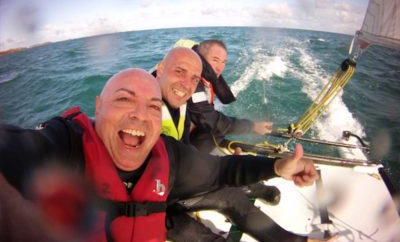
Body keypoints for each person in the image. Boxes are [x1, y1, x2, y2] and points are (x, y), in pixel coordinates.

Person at [0, 68, 319, 241]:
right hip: (167, 214)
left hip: (165, 201)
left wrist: (277, 166)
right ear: (98, 107)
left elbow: (220, 170)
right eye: (124, 100)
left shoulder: (167, 154)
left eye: (152, 107)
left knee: (230, 198)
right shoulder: (66, 145)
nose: (140, 114)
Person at [154, 48, 314, 241]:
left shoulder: (181, 104)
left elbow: (190, 155)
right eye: (179, 71)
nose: (187, 85)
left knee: (231, 196)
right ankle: (246, 186)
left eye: (194, 79)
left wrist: (277, 166)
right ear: (161, 68)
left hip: (177, 183)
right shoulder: (145, 118)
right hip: (154, 206)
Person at [174, 39, 274, 154]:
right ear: (200, 57)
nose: (220, 68)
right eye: (215, 60)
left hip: (189, 126)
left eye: (224, 62)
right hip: (177, 143)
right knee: (218, 129)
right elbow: (207, 119)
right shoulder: (191, 80)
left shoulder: (206, 75)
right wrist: (252, 126)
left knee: (220, 129)